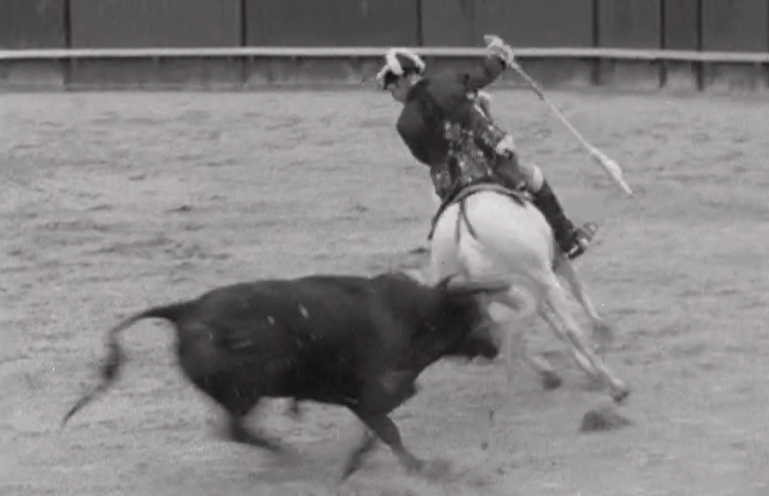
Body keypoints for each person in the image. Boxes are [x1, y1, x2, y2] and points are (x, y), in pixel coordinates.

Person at [375, 38, 596, 260]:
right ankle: (569, 241)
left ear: (405, 78)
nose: (393, 95)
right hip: (492, 163)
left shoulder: (404, 124)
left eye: (393, 88)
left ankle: (439, 249)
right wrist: (499, 57)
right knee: (534, 177)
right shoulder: (449, 80)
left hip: (450, 183)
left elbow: (424, 157)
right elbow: (486, 74)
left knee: (439, 205)